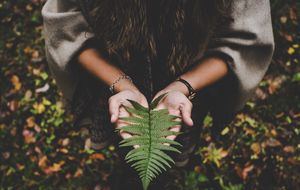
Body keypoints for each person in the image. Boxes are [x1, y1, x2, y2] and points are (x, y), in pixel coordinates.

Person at [41, 0, 275, 167]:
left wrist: (181, 87)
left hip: (191, 79)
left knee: (175, 139)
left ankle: (159, 170)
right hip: (112, 69)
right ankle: (133, 167)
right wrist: (123, 85)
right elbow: (66, 28)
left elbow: (244, 41)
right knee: (123, 134)